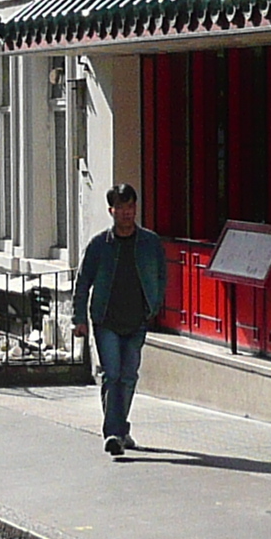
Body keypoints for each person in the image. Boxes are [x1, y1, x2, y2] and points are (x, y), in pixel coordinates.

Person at [72, 184, 166, 456]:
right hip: (106, 320)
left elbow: (161, 275)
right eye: (121, 208)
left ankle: (121, 429)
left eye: (130, 207)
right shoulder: (100, 245)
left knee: (128, 376)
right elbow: (83, 282)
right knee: (111, 375)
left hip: (137, 320)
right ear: (111, 210)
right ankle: (113, 433)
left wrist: (154, 305)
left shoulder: (150, 243)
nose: (126, 213)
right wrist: (79, 318)